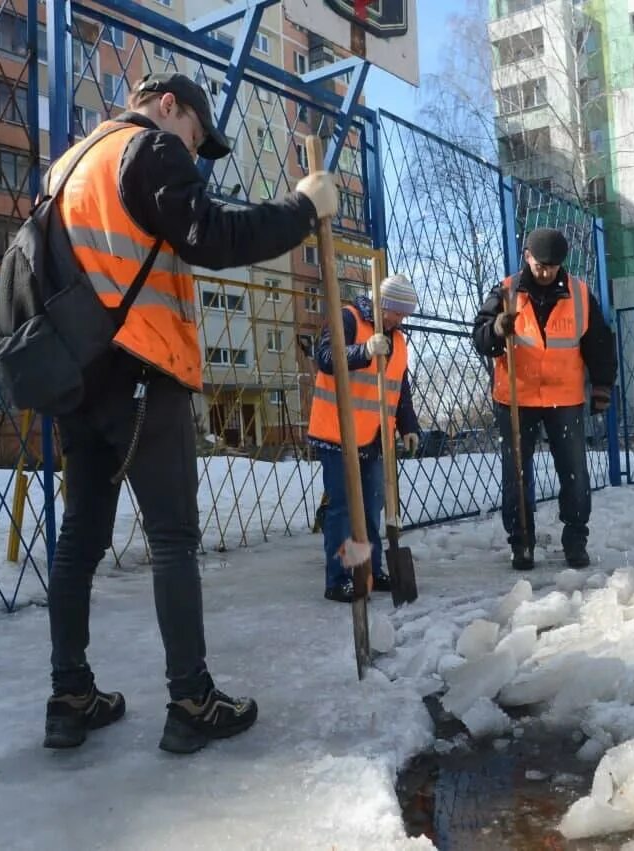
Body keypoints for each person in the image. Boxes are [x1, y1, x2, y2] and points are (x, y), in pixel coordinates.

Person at [39, 72, 339, 755]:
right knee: (173, 539)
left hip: (74, 377)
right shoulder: (147, 148)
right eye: (197, 137)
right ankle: (191, 699)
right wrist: (301, 209)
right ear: (168, 106)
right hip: (142, 371)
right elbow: (211, 235)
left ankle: (69, 694)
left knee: (80, 540)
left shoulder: (69, 165)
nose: (195, 153)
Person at [471, 228, 617, 571]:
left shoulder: (579, 294)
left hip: (564, 399)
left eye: (552, 266)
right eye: (540, 265)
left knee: (575, 473)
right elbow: (479, 337)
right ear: (527, 257)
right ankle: (521, 543)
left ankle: (575, 539)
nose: (546, 272)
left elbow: (599, 342)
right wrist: (495, 330)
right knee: (517, 474)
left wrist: (602, 388)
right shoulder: (505, 292)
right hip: (516, 399)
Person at [307, 274, 422, 602]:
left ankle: (367, 569)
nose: (401, 320)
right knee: (344, 510)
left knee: (371, 510)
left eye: (404, 315)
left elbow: (400, 391)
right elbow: (326, 358)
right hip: (338, 434)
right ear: (383, 305)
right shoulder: (348, 318)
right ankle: (340, 577)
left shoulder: (398, 340)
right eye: (398, 313)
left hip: (373, 437)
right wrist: (364, 351)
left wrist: (408, 427)